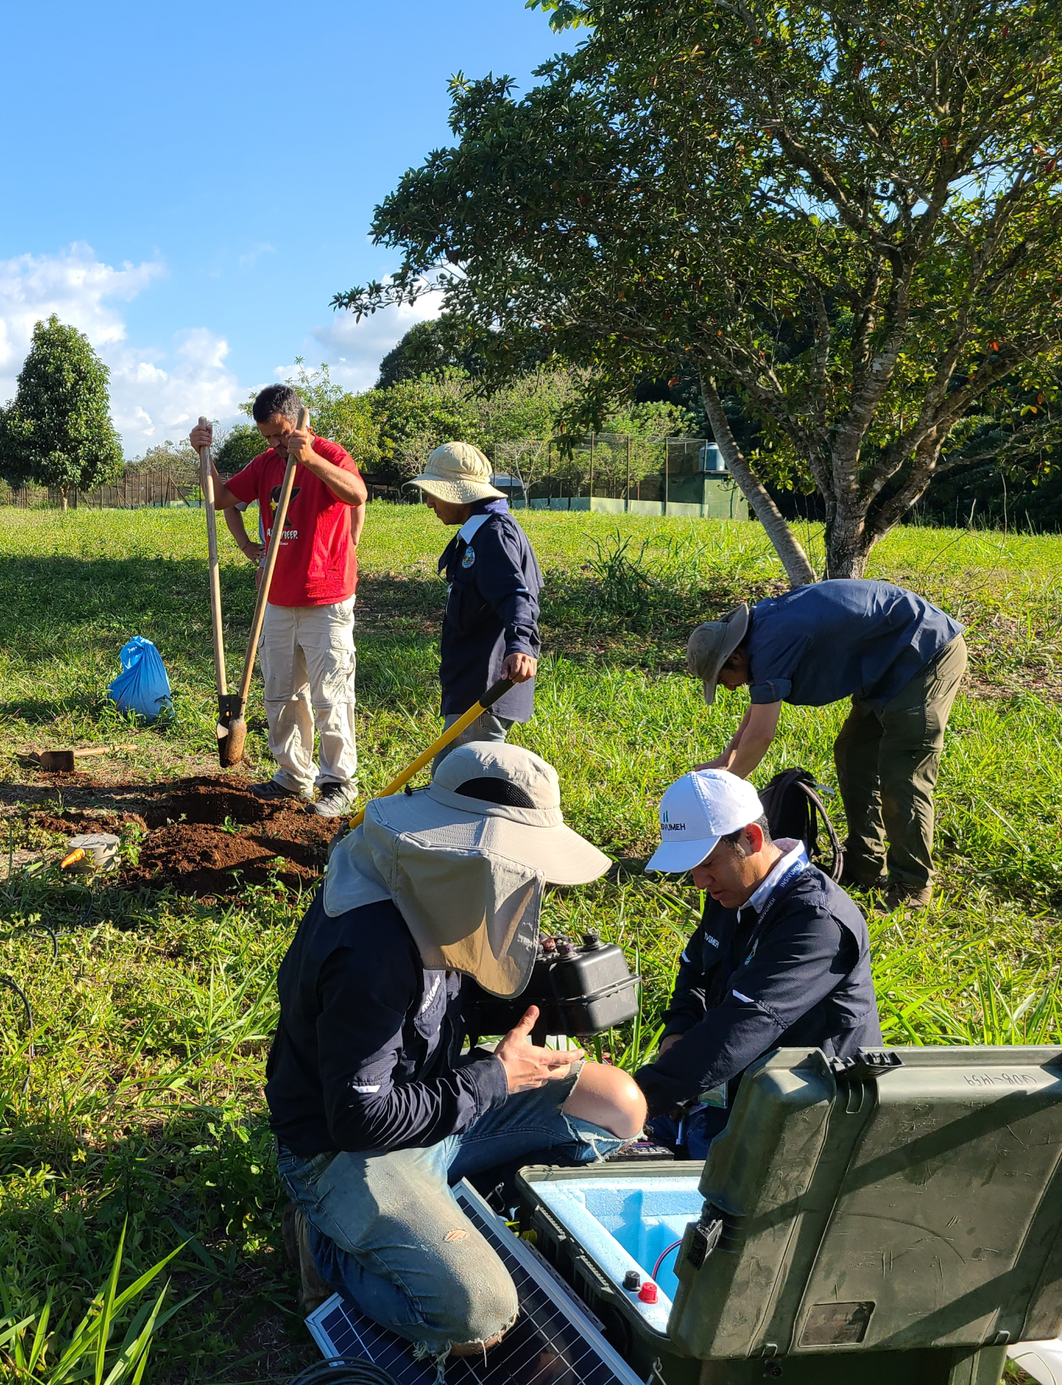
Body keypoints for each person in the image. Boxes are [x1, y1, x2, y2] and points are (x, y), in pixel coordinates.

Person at [268, 742, 646, 1355]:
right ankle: (322, 1244)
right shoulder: (372, 945)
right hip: (346, 1148)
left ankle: (438, 1203)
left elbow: (445, 1000)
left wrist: (533, 1007)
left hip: (439, 1100)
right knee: (479, 1315)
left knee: (620, 1104)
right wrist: (494, 1078)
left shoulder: (429, 880)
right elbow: (360, 1117)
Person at [635, 768, 881, 1157]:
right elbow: (695, 969)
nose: (700, 882)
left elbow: (743, 1025)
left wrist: (634, 1100)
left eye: (708, 863)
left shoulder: (817, 921)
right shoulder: (731, 891)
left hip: (808, 1119)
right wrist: (676, 1033)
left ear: (751, 838)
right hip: (731, 1092)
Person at [687, 580, 966, 908]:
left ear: (734, 657)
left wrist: (725, 793)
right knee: (853, 753)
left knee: (902, 772)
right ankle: (864, 863)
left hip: (923, 653)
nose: (730, 689)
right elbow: (759, 706)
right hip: (884, 665)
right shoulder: (759, 636)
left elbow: (762, 734)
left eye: (722, 680)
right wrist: (727, 758)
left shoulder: (771, 641)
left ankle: (912, 887)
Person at [189, 385, 369, 817]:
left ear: (299, 423)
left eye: (280, 434)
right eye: (267, 436)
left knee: (330, 696)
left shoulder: (328, 453)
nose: (274, 443)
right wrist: (204, 455)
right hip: (277, 597)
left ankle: (338, 782)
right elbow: (221, 499)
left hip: (325, 598)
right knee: (282, 693)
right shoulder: (267, 464)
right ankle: (292, 777)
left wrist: (309, 460)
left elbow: (357, 495)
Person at [407, 442, 541, 752]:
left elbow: (517, 595)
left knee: (459, 790)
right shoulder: (477, 535)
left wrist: (520, 645)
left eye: (434, 492)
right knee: (451, 785)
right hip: (469, 688)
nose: (429, 503)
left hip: (485, 693)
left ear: (460, 492)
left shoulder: (494, 536)